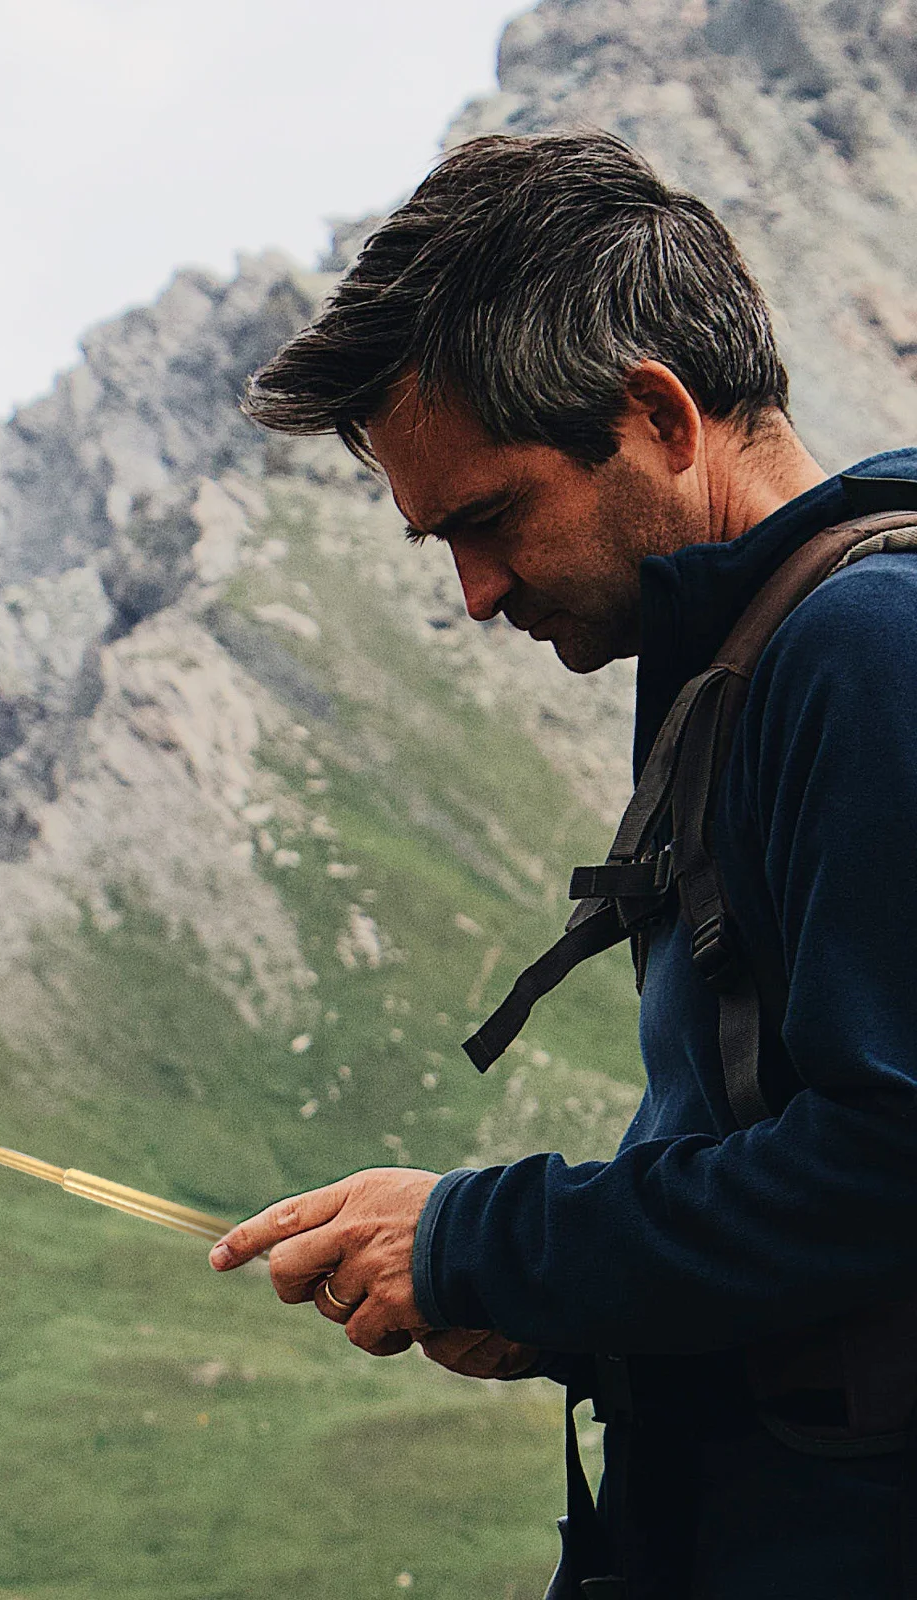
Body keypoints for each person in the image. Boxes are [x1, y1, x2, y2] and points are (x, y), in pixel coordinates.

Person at [209, 128, 917, 1597]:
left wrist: (487, 1242)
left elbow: (893, 1163)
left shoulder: (865, 654)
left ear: (657, 414)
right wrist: (571, 1313)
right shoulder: (751, 649)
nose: (472, 596)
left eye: (486, 520)